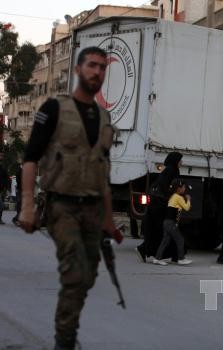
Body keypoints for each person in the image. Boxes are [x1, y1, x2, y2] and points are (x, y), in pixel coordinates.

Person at [18, 46, 122, 350]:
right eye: (92, 65)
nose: (97, 72)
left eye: (103, 68)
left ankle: (67, 332)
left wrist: (109, 221)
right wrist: (26, 205)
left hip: (92, 209)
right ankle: (65, 342)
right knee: (75, 274)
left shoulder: (105, 118)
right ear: (78, 70)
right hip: (61, 206)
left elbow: (104, 174)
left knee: (87, 276)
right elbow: (30, 158)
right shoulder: (53, 109)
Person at [135, 152, 183, 263]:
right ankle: (143, 249)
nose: (182, 162)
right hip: (160, 205)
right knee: (164, 231)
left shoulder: (168, 169)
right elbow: (169, 187)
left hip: (158, 204)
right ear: (175, 160)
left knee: (164, 231)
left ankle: (175, 255)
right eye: (180, 160)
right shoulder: (172, 170)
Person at [153, 178, 192, 265]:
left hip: (166, 222)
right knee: (180, 240)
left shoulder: (173, 196)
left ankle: (157, 258)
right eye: (184, 187)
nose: (184, 189)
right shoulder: (178, 197)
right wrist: (188, 199)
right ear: (178, 188)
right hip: (171, 223)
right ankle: (181, 259)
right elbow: (187, 208)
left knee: (165, 241)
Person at [0, 157, 9, 225]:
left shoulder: (3, 169)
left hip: (2, 189)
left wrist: (6, 187)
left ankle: (0, 219)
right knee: (1, 205)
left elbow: (7, 178)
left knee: (1, 205)